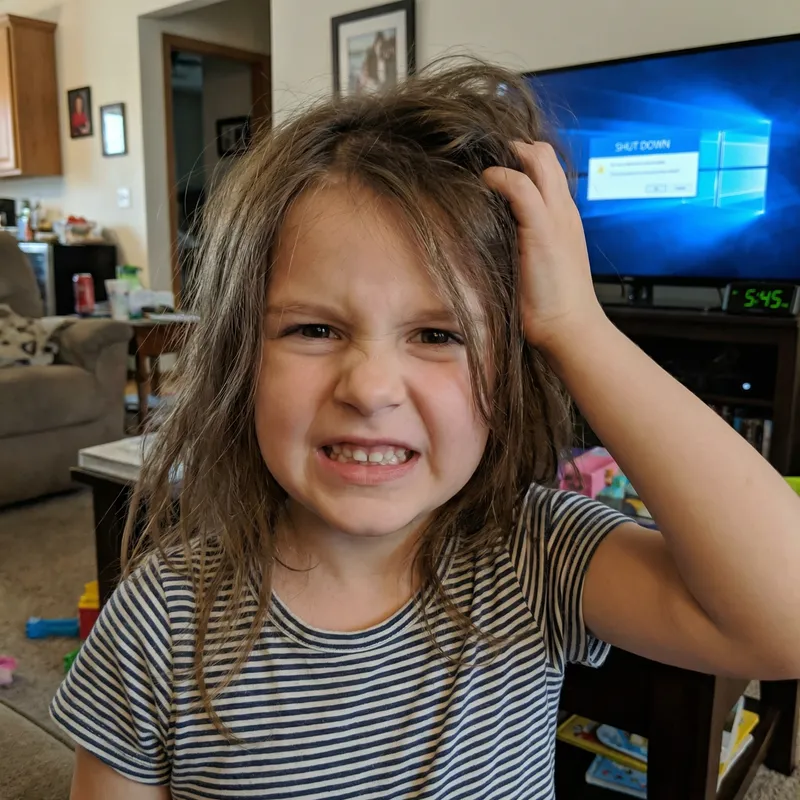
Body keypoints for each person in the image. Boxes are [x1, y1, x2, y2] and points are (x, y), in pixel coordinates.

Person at [52, 61, 800, 799]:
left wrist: (581, 331)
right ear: (239, 359)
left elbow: (784, 615)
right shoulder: (161, 618)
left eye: (439, 335)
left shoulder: (535, 555)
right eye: (314, 328)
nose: (372, 388)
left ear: (509, 374)